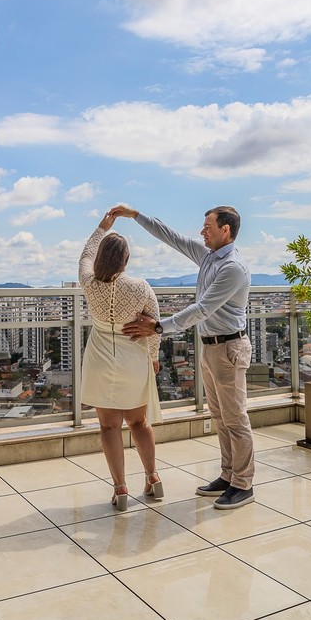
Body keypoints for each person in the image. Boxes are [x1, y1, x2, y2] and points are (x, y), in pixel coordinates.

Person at [108, 203, 255, 510]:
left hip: (229, 349)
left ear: (225, 230)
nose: (202, 231)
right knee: (220, 417)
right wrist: (136, 215)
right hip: (211, 347)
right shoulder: (208, 256)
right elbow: (170, 236)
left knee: (236, 419)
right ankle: (228, 476)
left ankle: (243, 484)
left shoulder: (233, 268)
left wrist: (159, 327)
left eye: (208, 227)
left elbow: (202, 309)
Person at [78, 211, 164, 512]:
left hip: (101, 359)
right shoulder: (140, 287)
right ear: (125, 261)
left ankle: (120, 487)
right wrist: (153, 358)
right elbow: (154, 326)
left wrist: (103, 227)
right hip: (133, 358)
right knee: (139, 422)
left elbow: (86, 255)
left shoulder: (89, 282)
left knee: (109, 427)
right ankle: (152, 477)